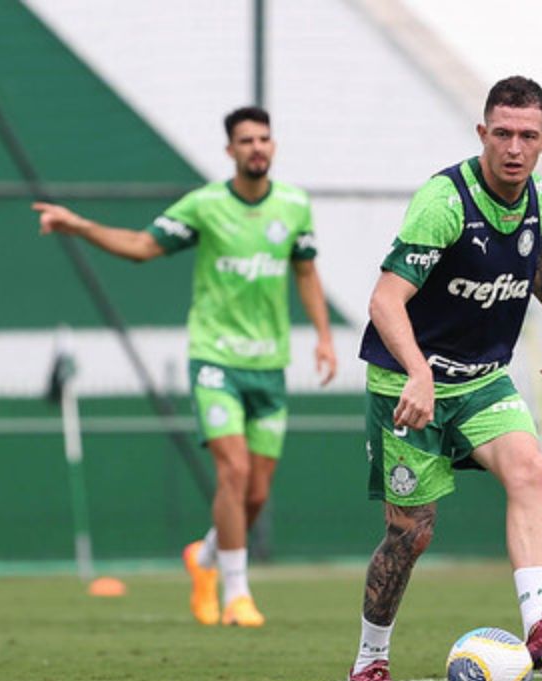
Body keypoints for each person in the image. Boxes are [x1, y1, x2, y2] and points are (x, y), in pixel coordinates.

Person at [345, 76, 542, 681]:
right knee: (413, 533)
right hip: (406, 380)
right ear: (482, 134)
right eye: (502, 133)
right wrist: (417, 373)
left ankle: (539, 624)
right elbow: (385, 298)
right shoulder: (445, 201)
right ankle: (369, 664)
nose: (514, 147)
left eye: (527, 136)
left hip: (483, 377)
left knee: (530, 469)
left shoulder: (540, 194)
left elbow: (533, 255)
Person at [32, 106, 337, 628]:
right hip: (215, 359)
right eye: (246, 140)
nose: (257, 147)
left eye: (264, 139)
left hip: (270, 366)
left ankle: (203, 559)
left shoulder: (294, 205)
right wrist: (78, 224)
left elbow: (306, 272)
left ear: (273, 146)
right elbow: (142, 247)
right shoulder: (205, 206)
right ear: (229, 152)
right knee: (233, 472)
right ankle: (236, 595)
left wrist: (325, 339)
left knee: (256, 494)